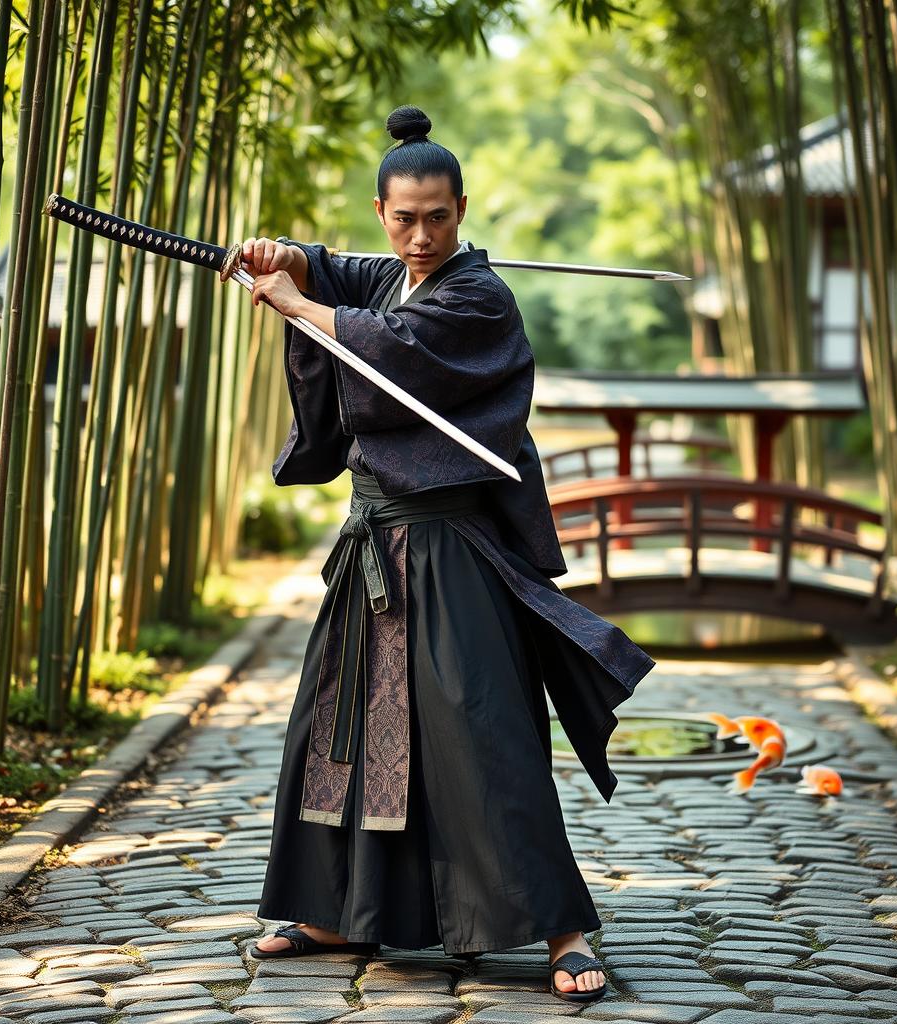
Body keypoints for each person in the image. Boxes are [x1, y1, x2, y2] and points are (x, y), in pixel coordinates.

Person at [239, 104, 655, 1003]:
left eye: (437, 217)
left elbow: (396, 349)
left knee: (485, 731)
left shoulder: (477, 297)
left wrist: (302, 305)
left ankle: (561, 930)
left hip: (450, 548)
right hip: (375, 546)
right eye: (403, 218)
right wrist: (287, 257)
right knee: (345, 730)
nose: (420, 236)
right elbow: (336, 271)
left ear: (462, 208)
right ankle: (331, 910)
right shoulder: (391, 275)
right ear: (382, 212)